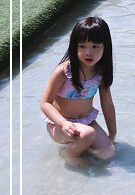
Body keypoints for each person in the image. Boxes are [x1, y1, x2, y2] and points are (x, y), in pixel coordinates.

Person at [39, 16, 116, 166]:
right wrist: (62, 123)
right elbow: (45, 103)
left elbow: (107, 105)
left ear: (105, 47)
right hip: (59, 124)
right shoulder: (63, 72)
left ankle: (81, 145)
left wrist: (112, 133)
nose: (88, 52)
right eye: (82, 46)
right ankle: (68, 154)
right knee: (87, 134)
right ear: (74, 47)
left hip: (86, 121)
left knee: (108, 153)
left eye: (95, 46)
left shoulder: (101, 73)